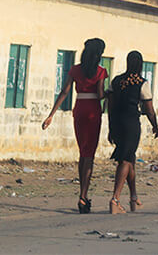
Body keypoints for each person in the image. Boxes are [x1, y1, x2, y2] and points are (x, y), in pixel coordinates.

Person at [42, 38, 108, 212]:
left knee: (82, 152)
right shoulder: (100, 72)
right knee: (90, 155)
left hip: (79, 109)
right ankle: (83, 196)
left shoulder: (75, 70)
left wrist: (51, 115)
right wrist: (109, 93)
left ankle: (82, 195)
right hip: (93, 111)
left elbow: (64, 91)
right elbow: (100, 95)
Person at [106, 51, 158, 213]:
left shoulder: (116, 81)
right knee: (125, 161)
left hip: (117, 123)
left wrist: (110, 127)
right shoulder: (142, 83)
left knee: (130, 159)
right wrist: (155, 125)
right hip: (131, 125)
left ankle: (133, 198)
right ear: (141, 64)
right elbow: (149, 109)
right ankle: (115, 199)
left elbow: (110, 105)